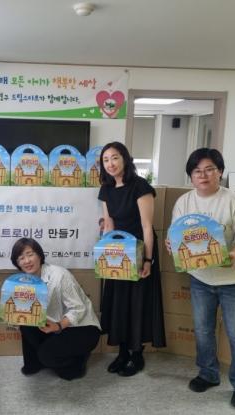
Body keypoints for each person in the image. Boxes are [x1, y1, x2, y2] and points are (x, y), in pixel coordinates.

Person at [168, 148, 235, 410]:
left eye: (209, 169)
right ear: (190, 176)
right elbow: (176, 234)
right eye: (197, 171)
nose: (203, 175)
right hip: (201, 279)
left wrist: (233, 253)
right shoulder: (184, 202)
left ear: (220, 172)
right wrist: (171, 245)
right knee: (203, 330)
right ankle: (208, 374)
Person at [98, 141, 166, 376]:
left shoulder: (140, 186)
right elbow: (109, 225)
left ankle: (137, 354)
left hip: (138, 250)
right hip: (118, 252)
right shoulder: (106, 189)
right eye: (106, 160)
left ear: (125, 159)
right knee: (119, 302)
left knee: (137, 302)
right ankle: (122, 352)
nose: (110, 164)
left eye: (115, 157)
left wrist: (148, 260)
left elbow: (147, 227)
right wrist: (105, 254)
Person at [10, 238, 101, 381]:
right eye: (21, 258)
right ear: (17, 263)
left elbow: (78, 308)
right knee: (25, 323)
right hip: (52, 324)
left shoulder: (59, 275)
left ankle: (79, 359)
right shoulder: (22, 282)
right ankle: (35, 362)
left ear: (40, 255)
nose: (26, 261)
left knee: (58, 365)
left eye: (30, 254)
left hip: (81, 327)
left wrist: (58, 326)